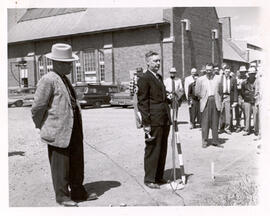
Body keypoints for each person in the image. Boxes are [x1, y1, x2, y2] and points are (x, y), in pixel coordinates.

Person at [31, 43, 97, 207]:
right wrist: (42, 126)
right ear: (57, 63)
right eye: (68, 63)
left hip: (73, 128)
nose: (71, 66)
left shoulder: (64, 78)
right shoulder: (48, 80)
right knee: (60, 165)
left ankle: (78, 192)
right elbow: (37, 108)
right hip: (57, 130)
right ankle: (62, 196)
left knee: (76, 161)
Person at [137, 51, 171, 189]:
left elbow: (160, 97)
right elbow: (142, 102)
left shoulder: (159, 77)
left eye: (159, 61)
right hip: (153, 120)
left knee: (162, 148)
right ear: (148, 62)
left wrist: (170, 98)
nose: (158, 63)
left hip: (164, 118)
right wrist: (146, 123)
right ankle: (149, 179)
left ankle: (158, 176)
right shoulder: (144, 78)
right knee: (153, 149)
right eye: (155, 61)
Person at [195, 63, 222, 148]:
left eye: (210, 70)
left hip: (215, 101)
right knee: (205, 122)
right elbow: (197, 92)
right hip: (205, 102)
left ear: (213, 70)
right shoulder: (200, 79)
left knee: (215, 122)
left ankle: (215, 141)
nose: (208, 72)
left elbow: (220, 91)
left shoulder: (218, 78)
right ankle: (204, 141)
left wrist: (217, 99)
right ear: (205, 70)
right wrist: (203, 97)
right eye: (207, 70)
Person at [219, 65, 238, 134]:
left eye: (228, 71)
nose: (227, 72)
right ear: (223, 71)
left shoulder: (233, 79)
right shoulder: (219, 78)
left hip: (228, 97)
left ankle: (227, 128)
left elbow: (235, 91)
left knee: (228, 113)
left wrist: (235, 101)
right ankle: (219, 127)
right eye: (226, 71)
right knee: (219, 112)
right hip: (221, 97)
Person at [241, 67, 257, 136]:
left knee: (256, 116)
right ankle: (247, 130)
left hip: (255, 101)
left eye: (253, 74)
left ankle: (257, 130)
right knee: (247, 116)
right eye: (250, 74)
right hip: (247, 101)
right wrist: (245, 98)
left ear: (255, 74)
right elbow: (242, 92)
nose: (251, 75)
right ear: (248, 74)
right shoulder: (244, 82)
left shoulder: (257, 82)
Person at [235, 65, 248, 132]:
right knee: (238, 112)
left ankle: (246, 126)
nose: (242, 73)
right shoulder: (237, 78)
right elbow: (236, 88)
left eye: (244, 72)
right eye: (241, 72)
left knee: (246, 112)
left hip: (246, 96)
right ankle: (238, 126)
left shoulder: (247, 78)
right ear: (240, 72)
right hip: (239, 95)